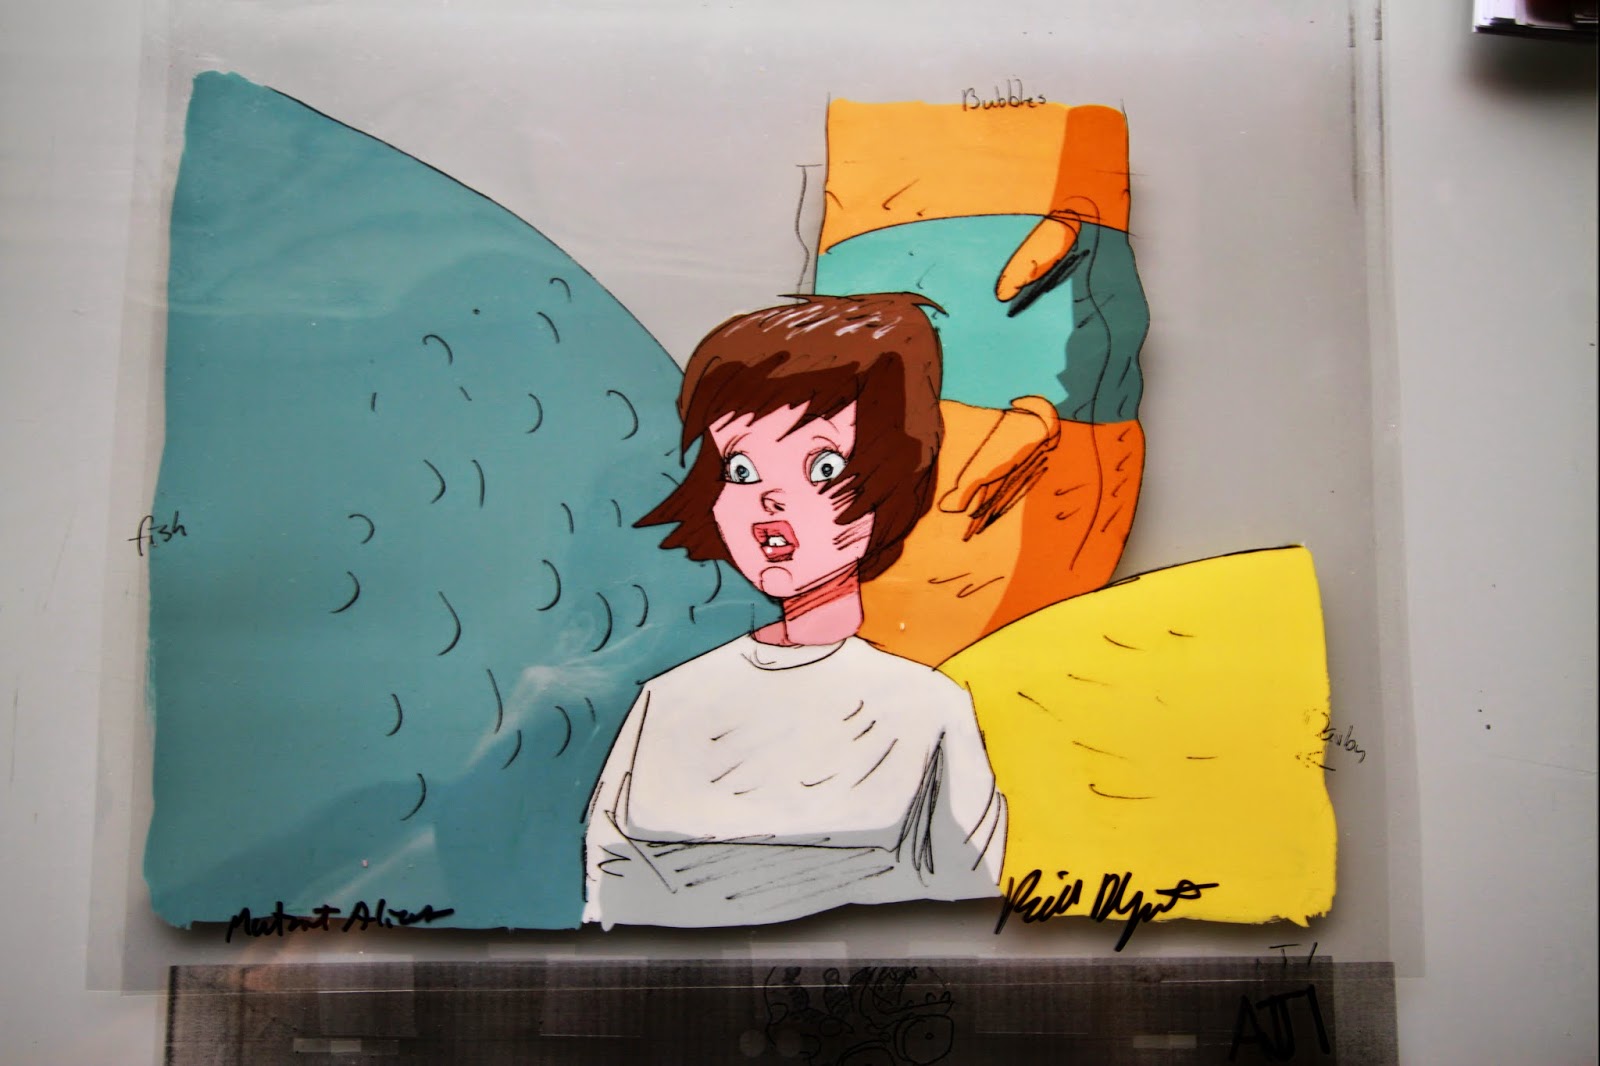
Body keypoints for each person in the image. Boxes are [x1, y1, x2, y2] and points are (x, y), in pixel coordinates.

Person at [581, 292, 1006, 929]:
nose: (770, 499)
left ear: (891, 480)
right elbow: (608, 890)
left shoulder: (926, 709)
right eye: (741, 468)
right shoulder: (668, 700)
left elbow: (968, 903)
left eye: (823, 465)